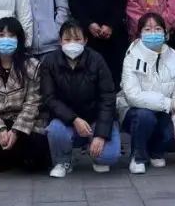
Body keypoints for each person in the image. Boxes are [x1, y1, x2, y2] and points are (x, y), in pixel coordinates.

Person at [41, 21, 121, 177]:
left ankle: (95, 151)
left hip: (95, 118)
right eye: (67, 39)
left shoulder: (97, 60)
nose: (72, 43)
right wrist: (74, 119)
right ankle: (63, 161)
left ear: (85, 40)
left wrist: (101, 134)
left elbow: (108, 97)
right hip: (65, 120)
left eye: (77, 39)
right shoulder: (50, 61)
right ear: (60, 41)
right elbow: (49, 98)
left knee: (108, 157)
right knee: (55, 129)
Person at [0, 17, 48, 174]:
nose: (6, 39)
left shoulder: (32, 66)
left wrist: (16, 131)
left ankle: (8, 158)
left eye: (11, 35)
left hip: (23, 122)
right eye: (1, 35)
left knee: (38, 145)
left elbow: (33, 103)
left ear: (19, 39)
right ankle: (6, 157)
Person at [119, 12, 175, 173]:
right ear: (140, 33)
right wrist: (168, 103)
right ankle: (138, 157)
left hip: (163, 112)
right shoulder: (131, 56)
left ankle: (155, 152)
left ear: (165, 33)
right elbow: (133, 96)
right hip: (134, 111)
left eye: (158, 29)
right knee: (145, 116)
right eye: (148, 29)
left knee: (173, 130)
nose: (153, 33)